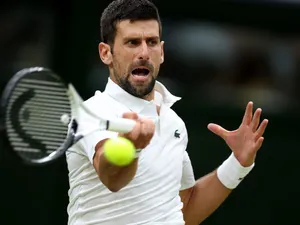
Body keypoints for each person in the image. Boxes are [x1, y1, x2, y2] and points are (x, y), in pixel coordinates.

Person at [66, 0, 269, 224]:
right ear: (106, 53)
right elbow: (111, 177)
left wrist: (238, 163)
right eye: (132, 42)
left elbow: (186, 209)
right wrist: (131, 148)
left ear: (161, 52)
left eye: (151, 42)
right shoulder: (91, 112)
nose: (144, 52)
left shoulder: (173, 123)